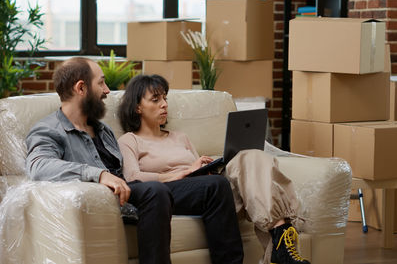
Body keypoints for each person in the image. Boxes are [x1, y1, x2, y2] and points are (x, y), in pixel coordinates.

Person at [25, 57, 244, 264]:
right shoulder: (48, 129)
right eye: (101, 83)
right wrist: (99, 174)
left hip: (131, 191)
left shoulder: (103, 130)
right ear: (81, 88)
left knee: (216, 185)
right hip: (102, 197)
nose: (107, 91)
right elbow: (38, 166)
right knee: (155, 192)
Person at [117, 74, 311, 264]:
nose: (164, 104)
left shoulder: (180, 137)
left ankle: (281, 234)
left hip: (207, 190)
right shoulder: (130, 140)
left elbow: (198, 172)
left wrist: (206, 168)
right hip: (170, 193)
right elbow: (132, 177)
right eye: (155, 99)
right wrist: (179, 173)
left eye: (165, 98)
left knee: (251, 156)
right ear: (137, 107)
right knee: (215, 185)